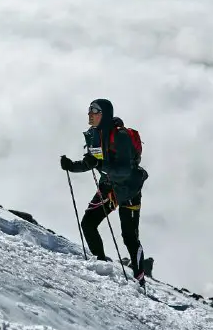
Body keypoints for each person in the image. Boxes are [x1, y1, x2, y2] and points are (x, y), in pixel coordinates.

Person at [60, 98, 149, 285]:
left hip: (128, 190)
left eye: (94, 111)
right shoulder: (94, 135)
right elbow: (91, 161)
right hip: (109, 187)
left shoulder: (120, 136)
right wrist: (72, 166)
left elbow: (124, 170)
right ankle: (100, 264)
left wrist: (100, 164)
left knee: (129, 237)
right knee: (88, 223)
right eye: (89, 111)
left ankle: (139, 280)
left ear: (104, 114)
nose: (90, 115)